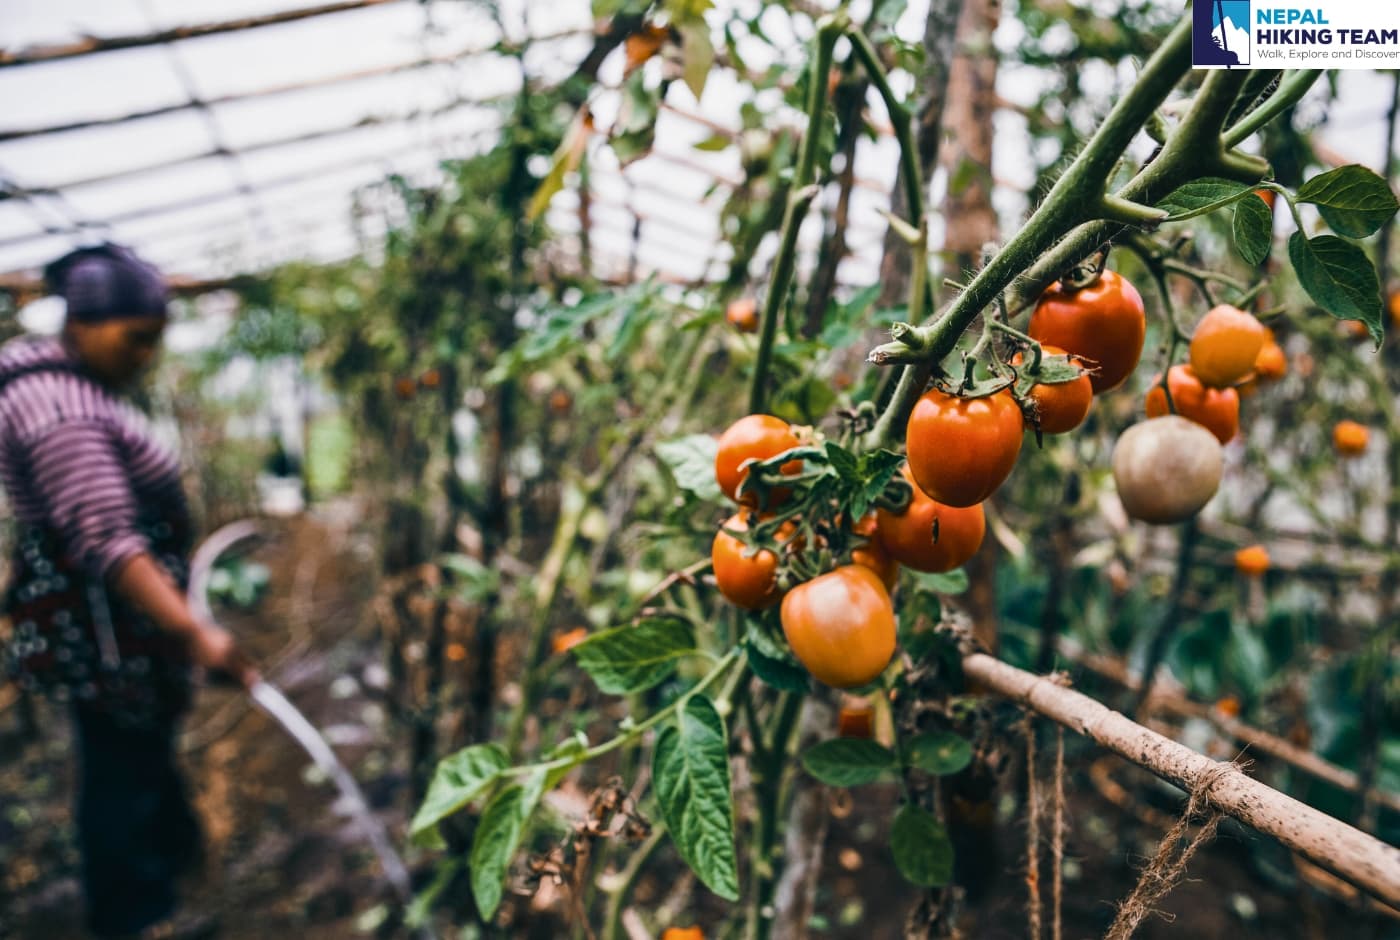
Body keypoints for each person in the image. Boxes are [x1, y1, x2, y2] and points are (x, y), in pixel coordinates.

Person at [0, 243, 257, 938]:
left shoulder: (65, 389)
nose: (145, 355)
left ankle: (164, 875)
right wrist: (196, 632)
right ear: (81, 325)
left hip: (110, 630)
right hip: (108, 633)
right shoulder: (61, 410)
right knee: (120, 772)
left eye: (154, 341)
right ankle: (135, 916)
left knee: (131, 757)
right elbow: (110, 544)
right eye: (134, 338)